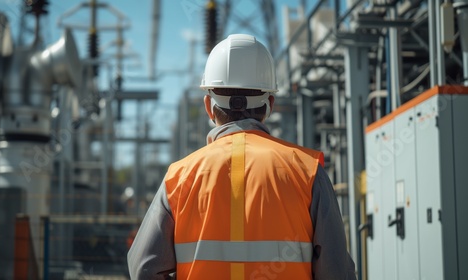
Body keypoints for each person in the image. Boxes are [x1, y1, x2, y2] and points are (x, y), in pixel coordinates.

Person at [127, 34, 356, 280]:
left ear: (208, 105)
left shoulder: (179, 177)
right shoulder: (308, 172)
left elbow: (143, 269)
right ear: (269, 103)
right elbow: (337, 273)